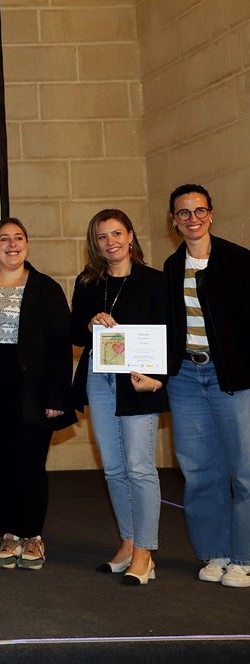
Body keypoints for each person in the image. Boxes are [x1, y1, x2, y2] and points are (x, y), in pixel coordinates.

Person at [0, 218, 74, 572]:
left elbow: (59, 347)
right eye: (3, 239)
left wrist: (57, 396)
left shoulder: (46, 288)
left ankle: (33, 536)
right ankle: (9, 534)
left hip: (31, 391)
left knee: (28, 465)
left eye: (18, 238)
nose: (12, 244)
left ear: (27, 244)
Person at [70, 209, 169, 585]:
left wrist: (157, 380)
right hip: (99, 378)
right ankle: (128, 543)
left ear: (131, 236)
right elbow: (75, 333)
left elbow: (168, 336)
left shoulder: (155, 282)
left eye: (116, 234)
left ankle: (146, 552)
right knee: (113, 468)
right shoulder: (88, 282)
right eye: (101, 237)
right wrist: (89, 322)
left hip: (138, 382)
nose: (110, 242)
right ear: (94, 244)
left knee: (139, 467)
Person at [163, 183, 250, 588]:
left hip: (232, 378)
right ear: (174, 220)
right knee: (199, 470)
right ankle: (215, 552)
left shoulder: (239, 261)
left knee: (245, 470)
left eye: (199, 211)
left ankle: (244, 557)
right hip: (185, 378)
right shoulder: (169, 268)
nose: (192, 218)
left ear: (211, 214)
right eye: (183, 212)